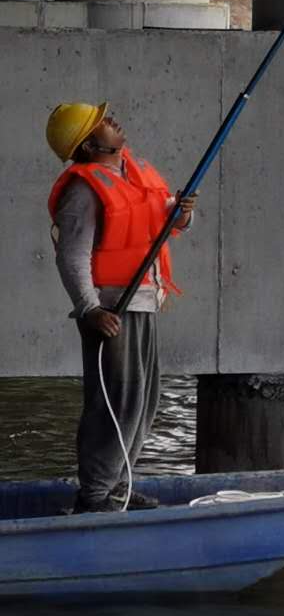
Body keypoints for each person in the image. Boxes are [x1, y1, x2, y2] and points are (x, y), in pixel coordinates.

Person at [45, 102, 196, 513]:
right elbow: (71, 257)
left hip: (144, 302)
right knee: (115, 402)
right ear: (91, 144)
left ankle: (116, 487)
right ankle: (95, 496)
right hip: (112, 310)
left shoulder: (133, 171)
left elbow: (164, 222)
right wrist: (90, 309)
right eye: (102, 122)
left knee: (143, 400)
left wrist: (183, 215)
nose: (112, 121)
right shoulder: (83, 190)